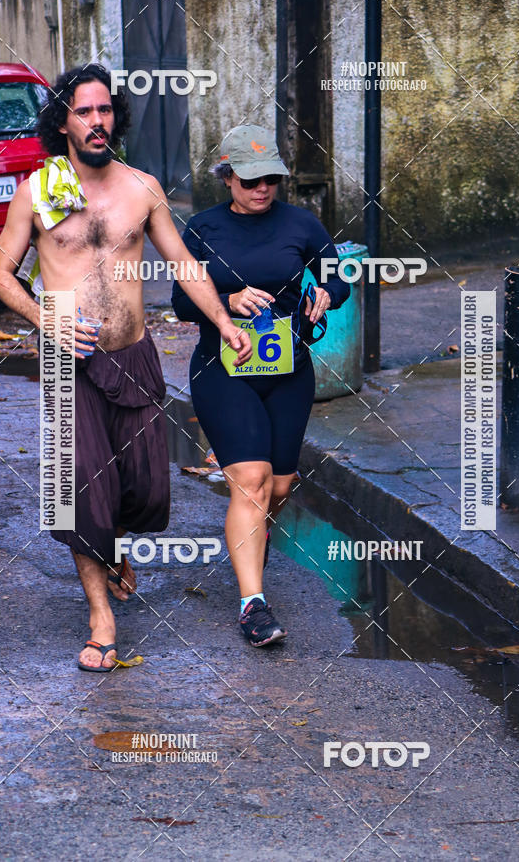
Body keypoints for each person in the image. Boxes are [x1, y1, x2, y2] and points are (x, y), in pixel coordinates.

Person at [0, 64, 251, 672]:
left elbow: (183, 264)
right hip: (67, 362)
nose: (96, 120)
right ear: (62, 122)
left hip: (133, 355)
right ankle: (100, 617)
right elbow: (0, 274)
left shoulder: (142, 187)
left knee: (144, 491)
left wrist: (224, 322)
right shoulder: (37, 191)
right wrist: (44, 319)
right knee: (79, 494)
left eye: (104, 109)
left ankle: (111, 547)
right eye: (83, 111)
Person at [172, 124, 350, 647]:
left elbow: (337, 277)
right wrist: (226, 301)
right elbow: (180, 302)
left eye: (270, 178)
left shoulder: (301, 224)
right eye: (250, 180)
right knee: (251, 478)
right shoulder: (203, 228)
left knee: (279, 486)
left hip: (289, 371)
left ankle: (252, 536)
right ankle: (253, 604)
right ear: (227, 177)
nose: (262, 189)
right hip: (223, 370)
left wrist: (326, 295)